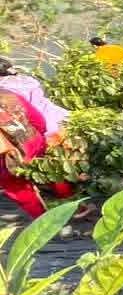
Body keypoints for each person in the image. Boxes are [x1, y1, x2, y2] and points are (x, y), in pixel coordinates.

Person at [0, 62, 73, 219]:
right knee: (49, 169)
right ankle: (74, 205)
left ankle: (45, 220)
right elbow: (38, 119)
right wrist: (39, 136)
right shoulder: (8, 94)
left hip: (7, 156)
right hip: (32, 141)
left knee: (18, 188)